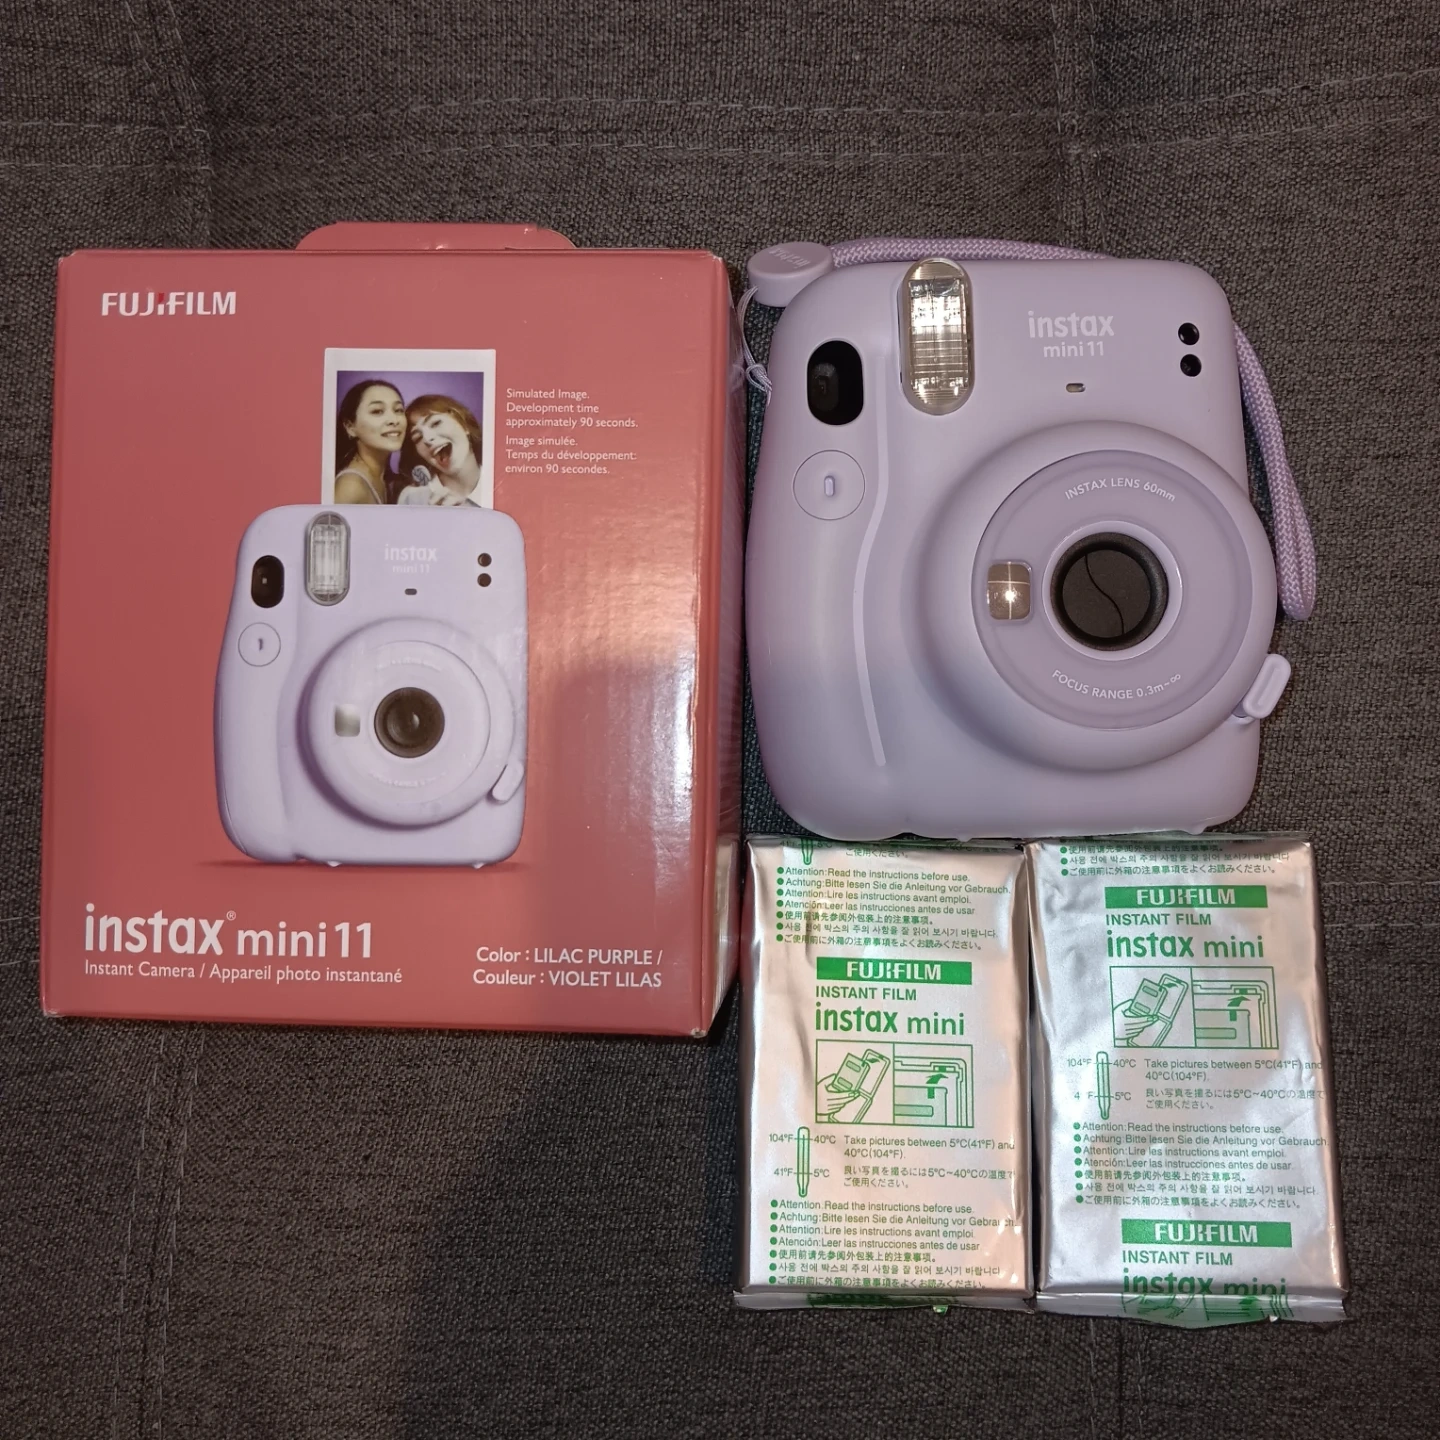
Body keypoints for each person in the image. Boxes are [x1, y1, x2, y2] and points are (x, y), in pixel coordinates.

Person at [398, 394, 484, 505]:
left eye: (436, 423)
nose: (427, 439)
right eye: (418, 437)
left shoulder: (501, 483)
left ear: (464, 425)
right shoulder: (412, 498)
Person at [333, 380, 405, 504]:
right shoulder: (351, 487)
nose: (394, 420)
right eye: (377, 411)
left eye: (398, 410)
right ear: (350, 427)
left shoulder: (388, 479)